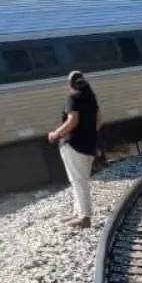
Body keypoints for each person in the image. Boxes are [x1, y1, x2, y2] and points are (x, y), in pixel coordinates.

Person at [47, 71, 102, 228]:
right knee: (79, 179)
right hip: (89, 145)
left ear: (70, 84)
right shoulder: (91, 98)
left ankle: (84, 216)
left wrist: (55, 134)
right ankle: (77, 212)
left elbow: (73, 120)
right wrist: (88, 133)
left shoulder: (73, 97)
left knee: (78, 180)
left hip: (73, 144)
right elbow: (99, 120)